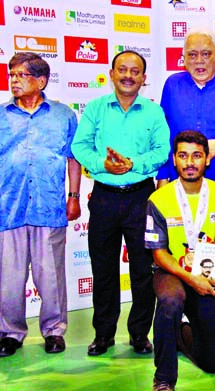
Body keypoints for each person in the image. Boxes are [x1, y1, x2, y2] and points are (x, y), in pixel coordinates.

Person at [157, 28, 215, 352]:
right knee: (180, 249)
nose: (199, 61)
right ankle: (187, 324)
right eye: (192, 55)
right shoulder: (172, 85)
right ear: (183, 58)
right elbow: (163, 134)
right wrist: (162, 175)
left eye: (206, 54)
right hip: (179, 184)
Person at [71, 50, 170, 357]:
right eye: (122, 70)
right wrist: (103, 163)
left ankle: (140, 334)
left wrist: (132, 164)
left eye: (135, 71)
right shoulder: (96, 109)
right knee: (103, 270)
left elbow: (162, 151)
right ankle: (103, 334)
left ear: (143, 78)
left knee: (142, 270)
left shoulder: (153, 113)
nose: (128, 75)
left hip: (142, 198)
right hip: (103, 198)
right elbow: (79, 146)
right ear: (111, 74)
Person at [0, 52, 81, 357]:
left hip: (49, 206)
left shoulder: (63, 115)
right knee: (8, 277)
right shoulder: (1, 114)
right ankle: (10, 333)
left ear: (41, 81)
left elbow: (73, 159)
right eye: (11, 75)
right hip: (8, 206)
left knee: (51, 277)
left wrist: (73, 197)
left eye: (21, 75)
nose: (14, 80)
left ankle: (54, 331)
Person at [145, 130, 215, 391]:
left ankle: (180, 337)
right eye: (183, 156)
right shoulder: (158, 199)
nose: (190, 162)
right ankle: (163, 378)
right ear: (174, 160)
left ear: (207, 159)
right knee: (170, 301)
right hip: (171, 271)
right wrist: (191, 279)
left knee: (211, 364)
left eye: (197, 156)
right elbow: (158, 254)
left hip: (207, 273)